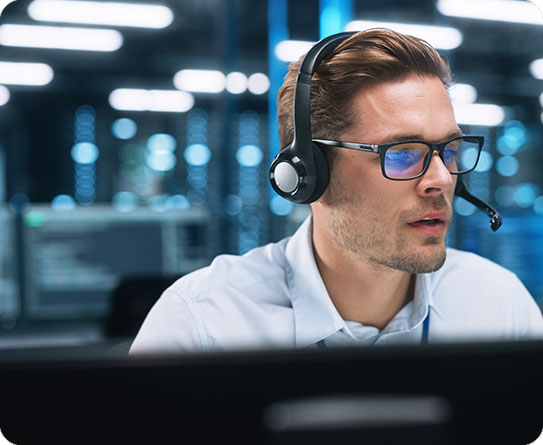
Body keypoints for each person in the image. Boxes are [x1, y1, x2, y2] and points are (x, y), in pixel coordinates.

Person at [129, 28, 543, 355]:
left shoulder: (498, 304)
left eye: (448, 150)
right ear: (309, 174)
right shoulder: (203, 325)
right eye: (402, 154)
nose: (440, 179)